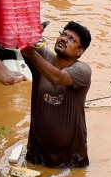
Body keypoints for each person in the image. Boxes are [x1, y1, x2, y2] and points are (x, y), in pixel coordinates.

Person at [21, 22, 93, 168]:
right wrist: (30, 37)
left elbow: (58, 78)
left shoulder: (83, 70)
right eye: (63, 34)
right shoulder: (43, 57)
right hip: (36, 154)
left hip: (71, 159)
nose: (64, 39)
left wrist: (32, 53)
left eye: (72, 39)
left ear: (80, 51)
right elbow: (23, 45)